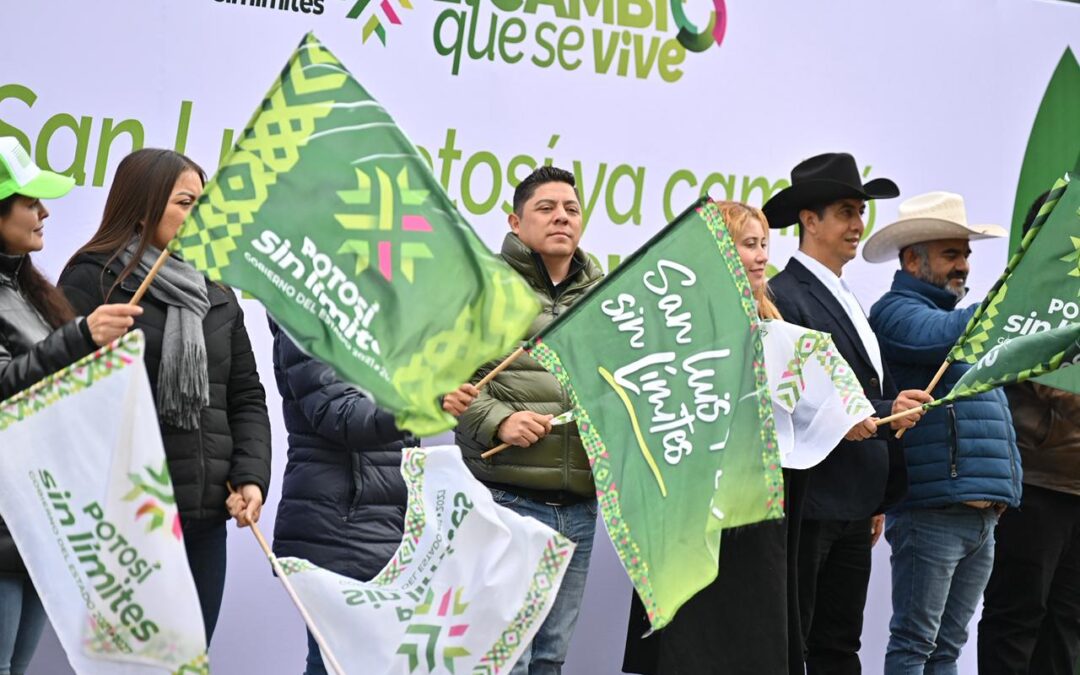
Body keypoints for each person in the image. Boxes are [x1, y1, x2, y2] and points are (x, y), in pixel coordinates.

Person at [57, 148, 272, 644]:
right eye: (185, 202)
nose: (199, 215)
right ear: (144, 205)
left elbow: (245, 397)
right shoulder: (94, 280)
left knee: (191, 657)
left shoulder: (215, 290)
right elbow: (63, 393)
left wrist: (251, 477)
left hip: (204, 520)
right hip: (126, 523)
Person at [763, 151, 932, 674]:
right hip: (811, 500)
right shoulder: (782, 295)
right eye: (845, 211)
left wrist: (876, 493)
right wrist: (887, 409)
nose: (858, 224)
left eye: (860, 211)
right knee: (798, 642)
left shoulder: (847, 295)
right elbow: (795, 400)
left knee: (840, 645)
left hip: (855, 502)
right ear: (809, 220)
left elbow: (852, 389)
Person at [0, 136, 142, 675]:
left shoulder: (29, 287)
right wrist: (80, 336)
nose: (44, 211)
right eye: (29, 200)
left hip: (33, 520)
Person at [864, 191, 1021, 674]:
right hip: (932, 508)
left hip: (980, 510)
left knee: (946, 650)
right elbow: (944, 334)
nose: (965, 266)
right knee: (915, 645)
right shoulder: (893, 311)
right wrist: (1020, 297)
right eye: (952, 254)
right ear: (913, 259)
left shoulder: (962, 322)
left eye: (967, 254)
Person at [455, 166, 603, 674]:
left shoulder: (605, 295)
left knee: (550, 659)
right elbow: (446, 382)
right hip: (507, 499)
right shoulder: (483, 289)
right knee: (505, 659)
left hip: (581, 508)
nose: (562, 216)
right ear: (516, 222)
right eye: (547, 208)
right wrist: (499, 423)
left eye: (572, 208)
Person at [269, 319, 478, 675]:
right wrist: (425, 403)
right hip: (337, 526)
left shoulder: (385, 319)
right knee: (336, 664)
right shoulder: (302, 318)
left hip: (390, 525)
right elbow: (342, 415)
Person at [979, 192, 1080, 675]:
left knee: (1067, 624)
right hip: (1033, 479)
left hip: (1076, 485)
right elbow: (1035, 382)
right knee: (1017, 617)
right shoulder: (1024, 302)